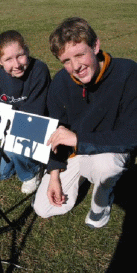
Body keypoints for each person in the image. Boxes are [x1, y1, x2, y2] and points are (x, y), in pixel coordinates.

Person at [33, 17, 137, 228]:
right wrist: (54, 174)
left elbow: (132, 135)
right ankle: (80, 173)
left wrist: (79, 139)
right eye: (67, 61)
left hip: (109, 149)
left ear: (95, 46)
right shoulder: (61, 83)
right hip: (76, 149)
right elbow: (56, 131)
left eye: (80, 54)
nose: (76, 66)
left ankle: (102, 200)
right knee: (43, 208)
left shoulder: (128, 73)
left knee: (104, 165)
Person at [0, 30, 51, 194]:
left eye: (20, 56)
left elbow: (34, 116)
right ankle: (23, 158)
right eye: (8, 59)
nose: (16, 64)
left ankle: (32, 171)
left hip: (37, 127)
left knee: (16, 143)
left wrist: (6, 127)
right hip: (11, 128)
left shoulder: (39, 70)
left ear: (27, 51)